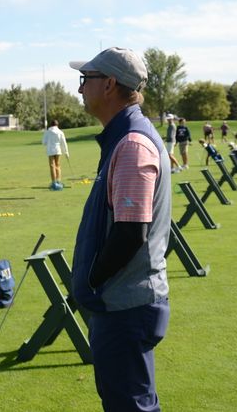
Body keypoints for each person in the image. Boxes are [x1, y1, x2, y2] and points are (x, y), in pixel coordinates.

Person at [69, 47, 170, 412]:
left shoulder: (130, 144)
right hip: (124, 300)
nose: (80, 89)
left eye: (86, 80)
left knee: (130, 407)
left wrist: (91, 281)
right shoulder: (122, 137)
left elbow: (131, 232)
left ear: (109, 84)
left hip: (124, 304)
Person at [41, 119, 69, 190]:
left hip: (50, 150)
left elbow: (44, 142)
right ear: (57, 125)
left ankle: (54, 182)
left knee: (52, 166)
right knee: (58, 165)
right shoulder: (60, 132)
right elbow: (63, 143)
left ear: (51, 125)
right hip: (58, 150)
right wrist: (66, 152)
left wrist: (49, 142)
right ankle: (58, 181)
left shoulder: (47, 132)